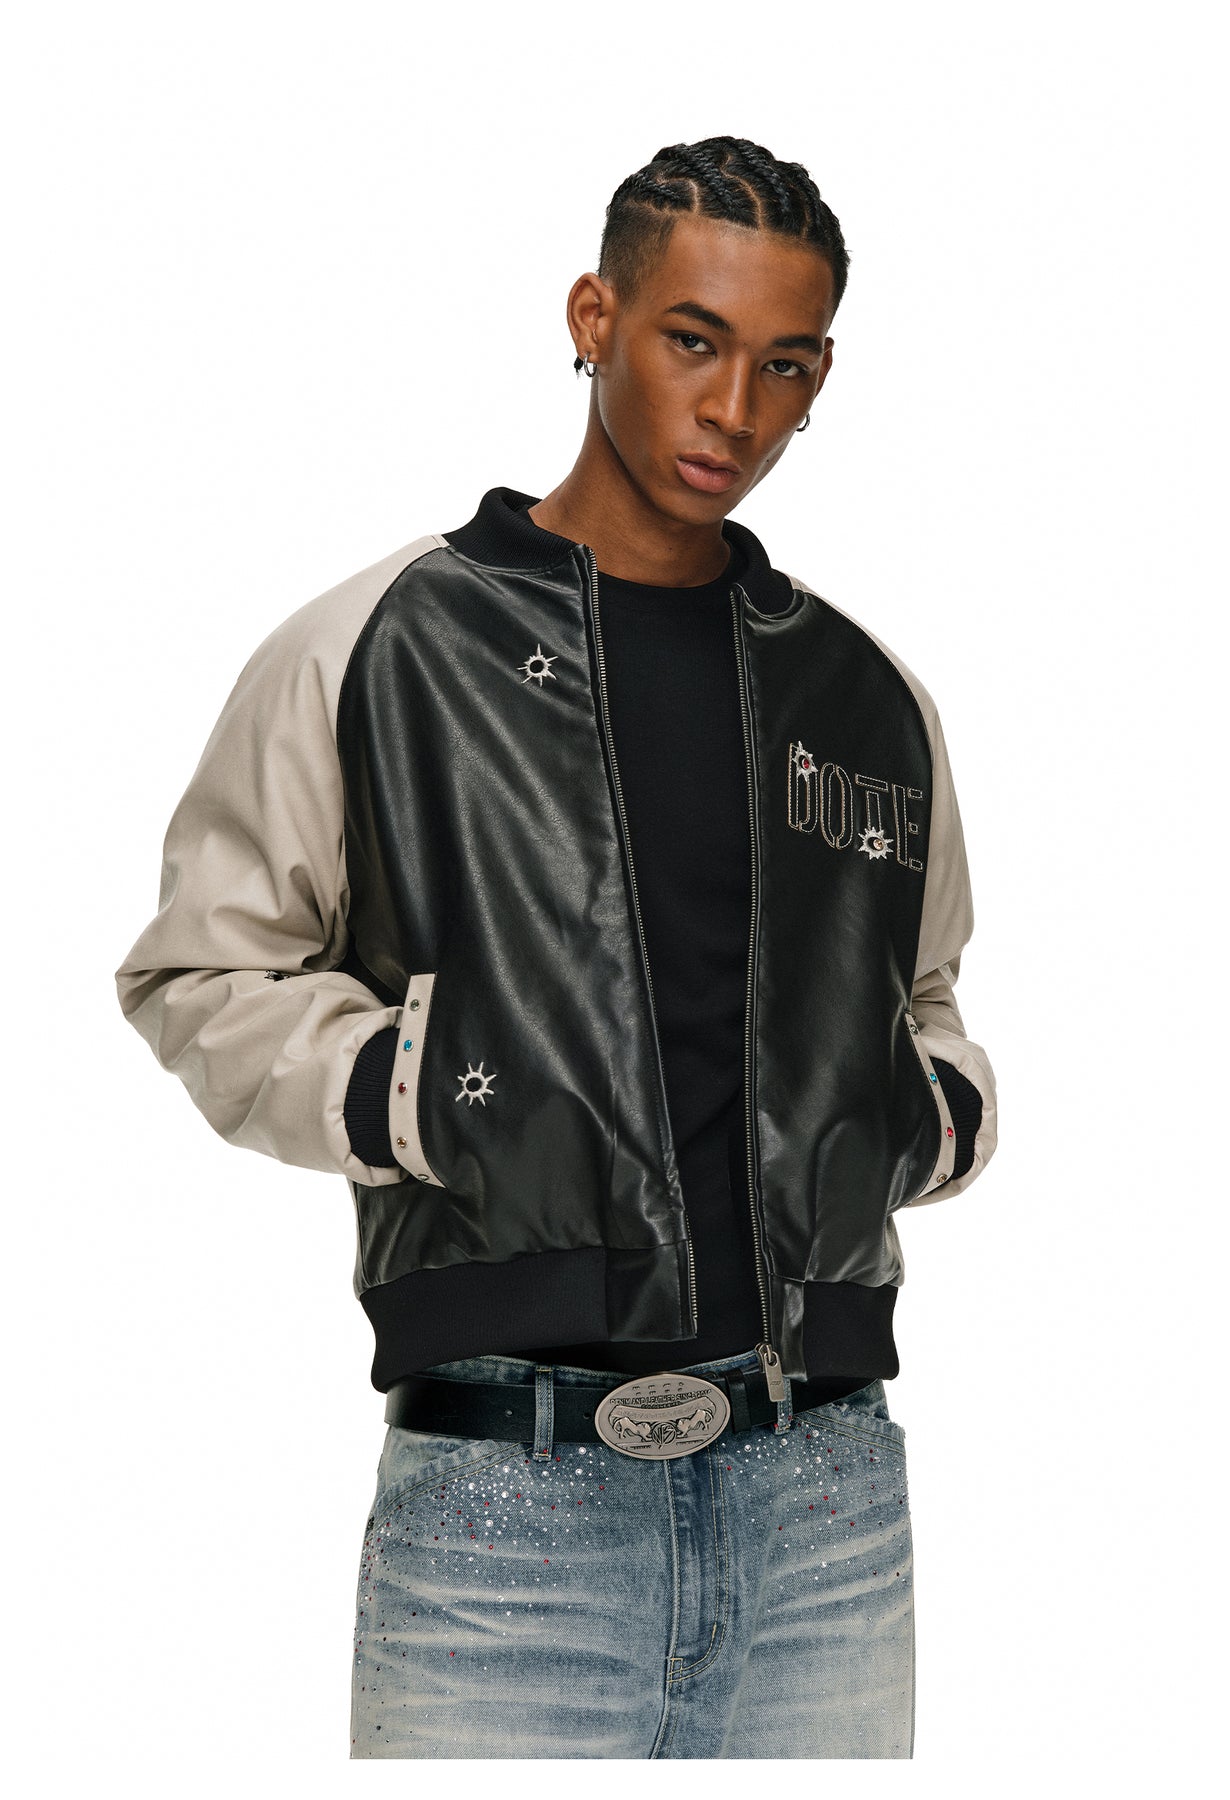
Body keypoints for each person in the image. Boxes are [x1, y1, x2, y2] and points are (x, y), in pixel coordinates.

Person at [114, 136, 997, 1759]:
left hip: (826, 1501)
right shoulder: (385, 644)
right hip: (502, 1512)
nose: (732, 409)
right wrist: (415, 1090)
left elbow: (921, 989)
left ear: (818, 378)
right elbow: (203, 970)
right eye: (690, 341)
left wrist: (927, 1114)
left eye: (782, 365)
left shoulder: (863, 695)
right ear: (594, 318)